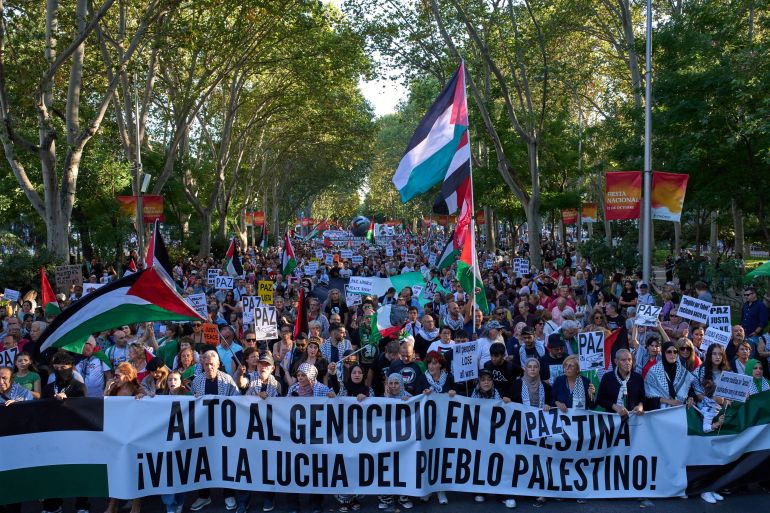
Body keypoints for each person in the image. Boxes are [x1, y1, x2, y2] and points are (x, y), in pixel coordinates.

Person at [189, 351, 239, 512]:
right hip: (203, 430)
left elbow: (237, 402)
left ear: (218, 364)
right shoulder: (197, 381)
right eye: (206, 364)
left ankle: (228, 494)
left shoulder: (227, 380)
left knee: (226, 461)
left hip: (224, 429)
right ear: (202, 365)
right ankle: (204, 496)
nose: (209, 367)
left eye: (212, 364)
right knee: (202, 462)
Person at [644, 341, 702, 410]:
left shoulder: (683, 371)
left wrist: (690, 398)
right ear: (663, 353)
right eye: (669, 352)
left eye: (675, 352)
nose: (672, 354)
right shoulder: (653, 372)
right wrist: (669, 401)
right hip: (660, 412)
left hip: (680, 410)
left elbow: (690, 390)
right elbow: (649, 396)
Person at [597, 349, 645, 416]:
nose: (627, 362)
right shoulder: (607, 377)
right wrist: (614, 406)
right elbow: (600, 399)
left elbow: (643, 398)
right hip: (613, 419)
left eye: (629, 359)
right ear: (616, 362)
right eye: (623, 360)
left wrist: (640, 406)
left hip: (634, 418)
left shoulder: (637, 378)